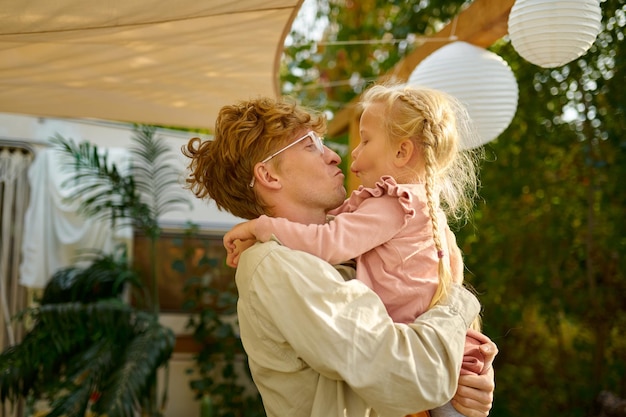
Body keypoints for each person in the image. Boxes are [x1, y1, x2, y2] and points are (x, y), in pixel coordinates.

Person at [182, 94, 497, 417]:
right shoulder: (276, 264)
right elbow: (411, 378)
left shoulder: (348, 242)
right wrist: (456, 305)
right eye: (311, 145)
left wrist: (465, 378)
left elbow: (422, 361)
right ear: (269, 176)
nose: (334, 155)